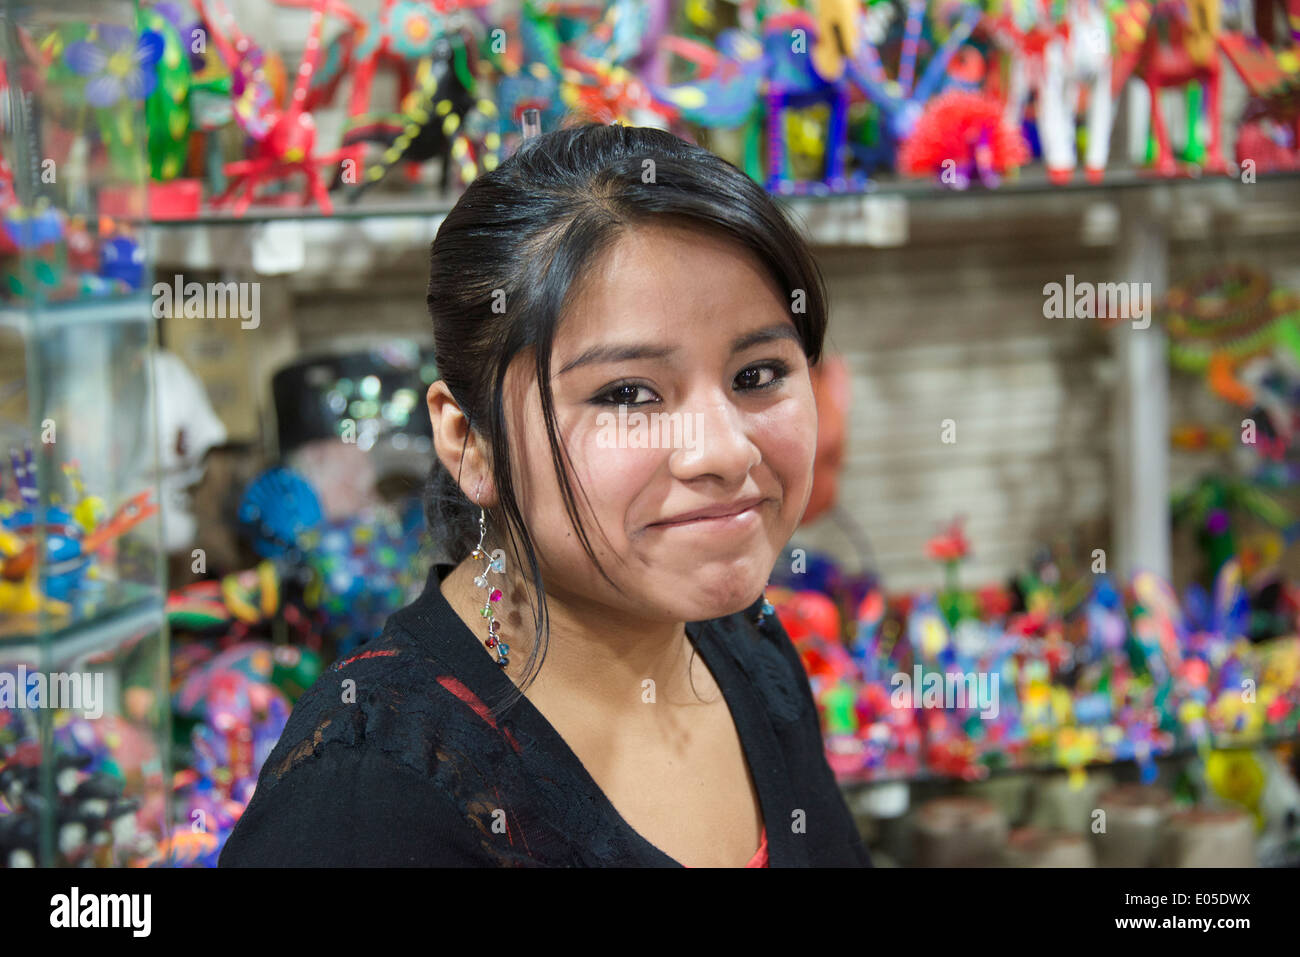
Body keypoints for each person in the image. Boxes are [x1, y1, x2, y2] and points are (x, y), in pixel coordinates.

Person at [219, 121, 871, 867]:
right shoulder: (367, 796)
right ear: (469, 439)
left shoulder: (746, 649)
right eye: (629, 393)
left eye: (757, 374)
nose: (724, 449)